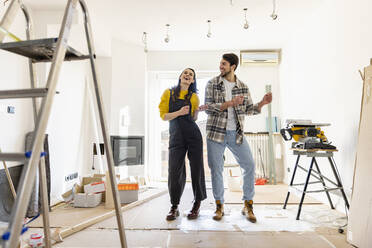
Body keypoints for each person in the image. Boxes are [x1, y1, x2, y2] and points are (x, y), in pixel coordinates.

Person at [200, 53, 272, 223]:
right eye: (220, 64)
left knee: (249, 165)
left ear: (233, 66)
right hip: (216, 133)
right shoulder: (212, 83)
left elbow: (248, 109)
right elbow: (208, 108)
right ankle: (219, 205)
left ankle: (248, 204)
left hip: (236, 133)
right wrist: (229, 103)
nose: (221, 67)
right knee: (216, 169)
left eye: (224, 64)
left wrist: (262, 103)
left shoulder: (243, 87)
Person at [158, 68, 207, 221]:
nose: (188, 75)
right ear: (180, 76)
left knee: (197, 169)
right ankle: (174, 206)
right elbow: (164, 116)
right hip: (176, 137)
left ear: (192, 81)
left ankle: (197, 204)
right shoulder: (168, 93)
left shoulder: (194, 97)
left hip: (193, 135)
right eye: (185, 73)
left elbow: (193, 118)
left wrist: (198, 111)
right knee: (174, 171)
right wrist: (179, 112)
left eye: (191, 75)